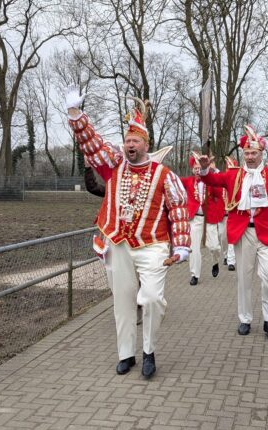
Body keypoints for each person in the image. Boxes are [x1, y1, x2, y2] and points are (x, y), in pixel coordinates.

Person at [65, 86, 190, 378]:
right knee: (122, 301)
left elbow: (179, 209)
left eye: (135, 140)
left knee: (152, 299)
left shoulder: (164, 174)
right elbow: (92, 146)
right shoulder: (115, 164)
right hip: (118, 242)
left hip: (153, 245)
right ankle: (127, 355)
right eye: (127, 140)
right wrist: (76, 115)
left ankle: (149, 350)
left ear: (146, 144)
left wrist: (181, 245)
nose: (129, 144)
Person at [196, 125, 268, 342]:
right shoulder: (232, 175)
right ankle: (245, 318)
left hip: (266, 233)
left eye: (254, 153)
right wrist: (204, 169)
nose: (249, 157)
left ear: (261, 153)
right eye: (246, 153)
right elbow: (212, 180)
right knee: (244, 278)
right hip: (243, 233)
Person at [181, 156, 224, 285]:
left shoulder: (210, 180)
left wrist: (213, 176)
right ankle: (195, 274)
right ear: (192, 170)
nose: (198, 170)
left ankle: (215, 261)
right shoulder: (188, 181)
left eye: (199, 168)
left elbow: (219, 194)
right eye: (195, 168)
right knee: (194, 248)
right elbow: (174, 180)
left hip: (209, 219)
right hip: (195, 219)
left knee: (215, 247)